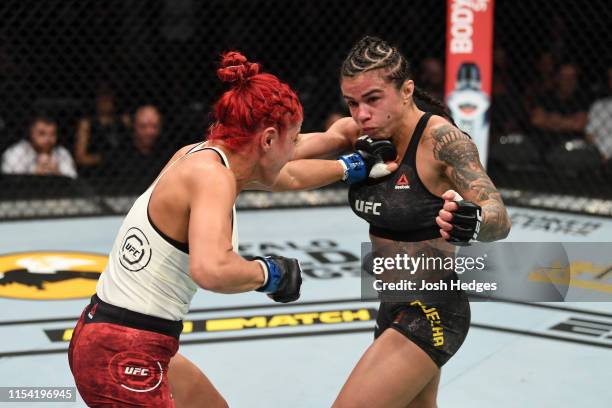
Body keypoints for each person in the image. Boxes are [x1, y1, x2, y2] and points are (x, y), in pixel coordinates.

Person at [67, 51, 395, 407]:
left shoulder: (201, 156)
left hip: (115, 334)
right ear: (268, 140)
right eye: (293, 139)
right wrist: (269, 273)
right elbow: (212, 269)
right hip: (124, 350)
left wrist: (349, 160)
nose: (295, 147)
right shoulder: (212, 178)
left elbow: (288, 170)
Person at [291, 36, 512, 407]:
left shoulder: (442, 141)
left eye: (373, 99)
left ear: (407, 90)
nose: (362, 114)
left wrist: (472, 222)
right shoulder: (357, 133)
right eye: (352, 102)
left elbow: (498, 217)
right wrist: (236, 137)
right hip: (391, 304)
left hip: (433, 309)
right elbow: (282, 155)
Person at [73, 86, 130, 178]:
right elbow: (80, 157)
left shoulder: (123, 120)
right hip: (96, 171)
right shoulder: (87, 123)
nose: (106, 100)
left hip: (123, 168)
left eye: (109, 95)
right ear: (96, 98)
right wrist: (103, 158)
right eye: (103, 95)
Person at [1, 114, 77, 178]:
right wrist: (35, 173)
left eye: (52, 134)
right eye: (42, 134)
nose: (48, 139)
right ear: (31, 133)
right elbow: (9, 183)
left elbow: (74, 181)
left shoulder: (62, 153)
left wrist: (57, 173)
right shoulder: (16, 152)